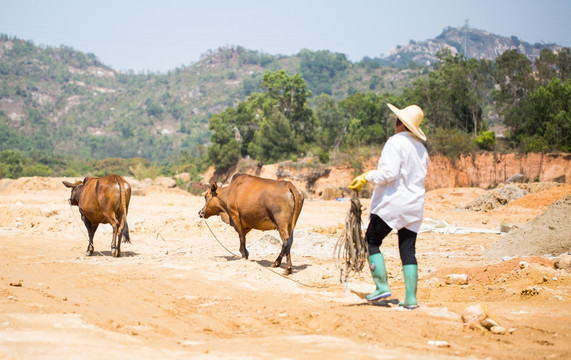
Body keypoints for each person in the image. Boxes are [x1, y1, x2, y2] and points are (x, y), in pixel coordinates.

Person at [348, 103, 428, 309]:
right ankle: (411, 299)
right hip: (414, 205)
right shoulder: (421, 148)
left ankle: (382, 286)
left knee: (371, 240)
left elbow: (389, 174)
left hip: (394, 202)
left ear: (399, 124)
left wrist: (367, 176)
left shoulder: (395, 142)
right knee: (408, 249)